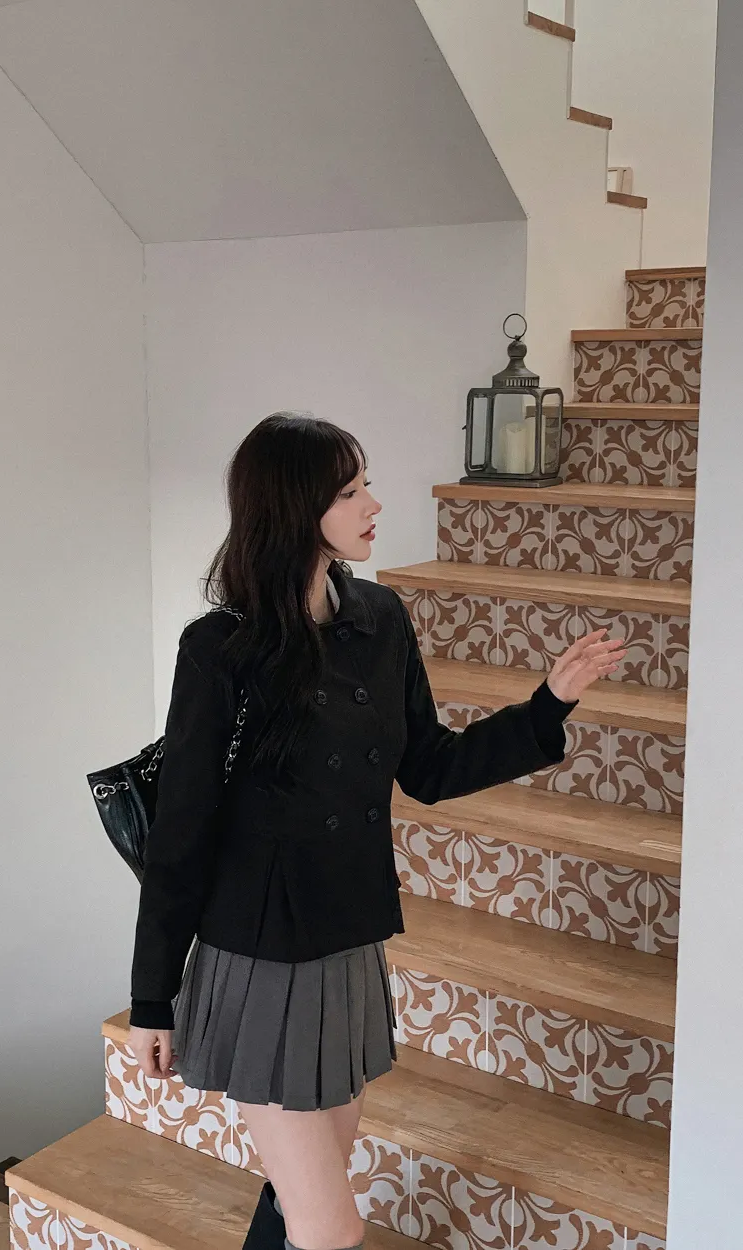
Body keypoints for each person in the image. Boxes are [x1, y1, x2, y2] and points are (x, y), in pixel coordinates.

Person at [126, 412, 626, 1250]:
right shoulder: (221, 648)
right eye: (349, 491)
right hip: (261, 956)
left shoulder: (380, 619)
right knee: (330, 1229)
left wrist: (549, 705)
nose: (373, 505)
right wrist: (152, 998)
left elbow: (429, 767)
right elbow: (181, 833)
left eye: (366, 485)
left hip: (349, 941)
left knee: (298, 1201)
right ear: (294, 509)